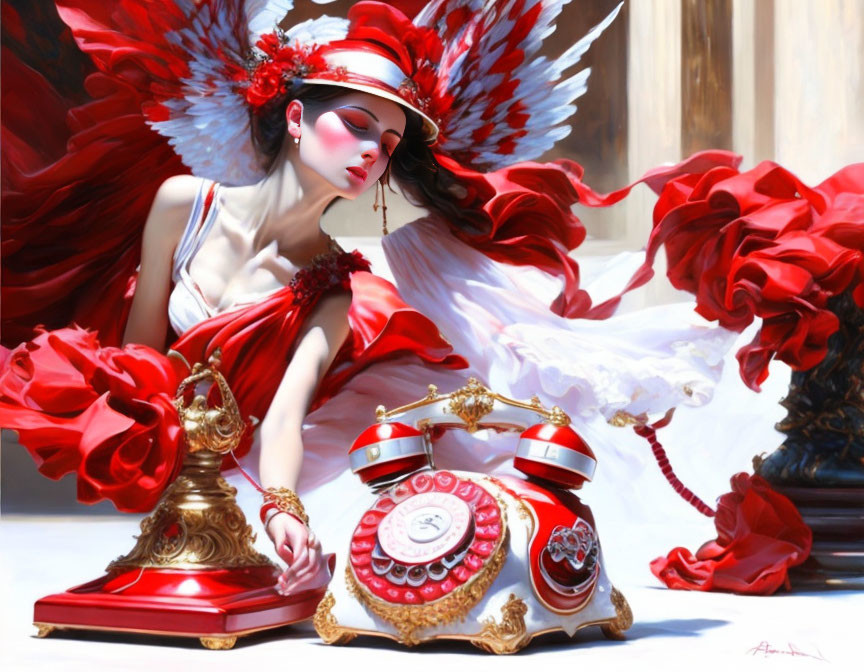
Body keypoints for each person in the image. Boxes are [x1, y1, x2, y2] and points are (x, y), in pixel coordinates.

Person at [1, 0, 775, 603]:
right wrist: (123, 423)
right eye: (357, 124)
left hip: (246, 465)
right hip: (166, 451)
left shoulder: (331, 285)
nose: (373, 151)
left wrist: (283, 514)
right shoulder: (183, 201)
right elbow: (141, 355)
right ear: (297, 117)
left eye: (391, 141)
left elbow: (283, 419)